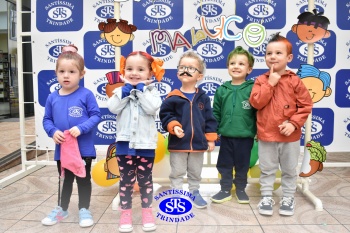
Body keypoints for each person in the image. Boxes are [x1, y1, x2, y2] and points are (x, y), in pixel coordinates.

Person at [249, 33, 313, 216]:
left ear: (289, 57)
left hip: (289, 137)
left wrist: (293, 123)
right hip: (266, 135)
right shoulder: (261, 80)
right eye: (269, 53)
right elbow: (256, 103)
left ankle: (288, 197)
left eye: (278, 53)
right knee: (267, 169)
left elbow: (306, 105)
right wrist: (270, 83)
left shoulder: (295, 81)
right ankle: (266, 197)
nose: (273, 57)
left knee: (289, 169)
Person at [41, 46, 101, 227]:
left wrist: (81, 128)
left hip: (83, 149)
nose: (66, 75)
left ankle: (84, 209)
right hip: (63, 150)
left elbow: (96, 115)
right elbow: (47, 119)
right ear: (56, 73)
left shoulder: (86, 94)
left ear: (81, 74)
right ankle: (62, 209)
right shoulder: (52, 97)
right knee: (64, 180)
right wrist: (52, 131)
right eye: (62, 71)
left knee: (83, 179)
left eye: (72, 72)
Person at [107, 51, 164, 233]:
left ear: (150, 73)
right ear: (124, 71)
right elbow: (113, 108)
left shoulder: (152, 92)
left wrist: (139, 90)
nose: (134, 73)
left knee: (146, 181)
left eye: (140, 69)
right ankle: (126, 214)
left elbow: (151, 108)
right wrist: (125, 91)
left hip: (145, 146)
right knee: (126, 181)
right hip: (124, 146)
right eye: (130, 68)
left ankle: (147, 212)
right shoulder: (119, 91)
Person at [159, 50, 217, 209]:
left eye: (191, 68)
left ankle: (194, 192)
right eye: (182, 67)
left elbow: (210, 119)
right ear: (178, 72)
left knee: (195, 171)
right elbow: (165, 115)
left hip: (198, 143)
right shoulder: (173, 97)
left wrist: (210, 138)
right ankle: (177, 193)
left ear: (199, 76)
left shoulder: (203, 97)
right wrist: (174, 126)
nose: (185, 70)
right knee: (177, 171)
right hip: (178, 144)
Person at [210, 46, 256, 204]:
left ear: (249, 69)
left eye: (241, 64)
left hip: (246, 136)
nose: (236, 66)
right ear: (228, 66)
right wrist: (213, 131)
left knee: (243, 165)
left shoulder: (253, 89)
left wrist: (257, 130)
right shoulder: (222, 89)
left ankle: (241, 189)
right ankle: (224, 189)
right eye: (232, 63)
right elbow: (215, 112)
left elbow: (258, 111)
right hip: (226, 136)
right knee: (224, 164)